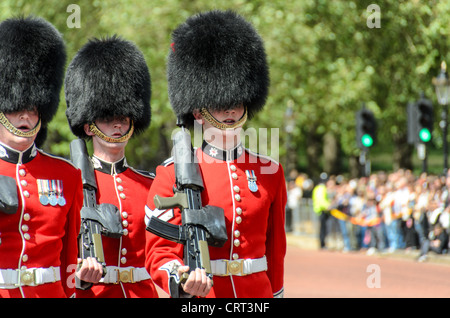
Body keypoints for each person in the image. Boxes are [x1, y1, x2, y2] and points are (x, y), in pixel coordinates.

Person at [144, 10, 286, 298]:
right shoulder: (171, 173)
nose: (231, 110)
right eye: (221, 103)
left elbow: (276, 250)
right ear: (198, 111)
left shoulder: (269, 172)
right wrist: (179, 277)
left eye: (236, 101)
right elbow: (159, 251)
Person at [65, 36, 158, 297]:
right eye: (107, 119)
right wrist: (79, 275)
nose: (117, 126)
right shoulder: (70, 183)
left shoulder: (150, 185)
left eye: (123, 118)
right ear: (88, 126)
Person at [0, 16, 83, 298]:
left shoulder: (66, 175)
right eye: (15, 107)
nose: (25, 116)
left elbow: (70, 255)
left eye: (34, 108)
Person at [312, 173, 331, 249]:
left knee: (322, 228)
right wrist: (328, 206)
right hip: (322, 210)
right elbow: (321, 200)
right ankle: (322, 244)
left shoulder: (317, 188)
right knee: (323, 228)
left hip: (319, 210)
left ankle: (322, 243)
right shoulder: (322, 188)